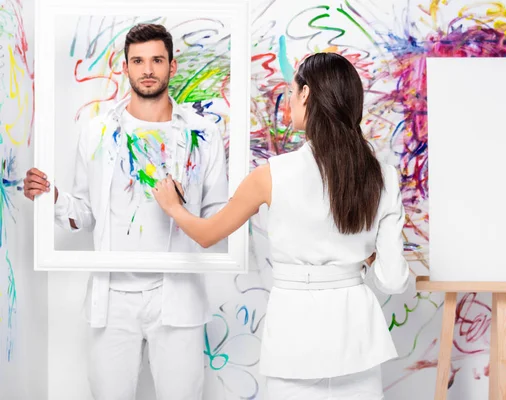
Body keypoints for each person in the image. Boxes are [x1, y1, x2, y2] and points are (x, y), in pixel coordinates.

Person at [152, 52, 410, 399]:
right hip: (358, 338)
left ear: (306, 94)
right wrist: (366, 254)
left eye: (291, 92)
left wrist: (173, 207)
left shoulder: (271, 175)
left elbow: (206, 233)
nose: (288, 101)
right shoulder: (383, 176)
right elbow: (393, 280)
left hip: (295, 339)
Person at [23, 23, 228, 400]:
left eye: (156, 60)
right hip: (112, 296)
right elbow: (85, 212)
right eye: (138, 61)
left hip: (178, 293)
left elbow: (220, 221)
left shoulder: (203, 135)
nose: (147, 69)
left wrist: (184, 212)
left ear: (172, 65)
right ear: (126, 67)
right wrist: (52, 198)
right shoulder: (98, 132)